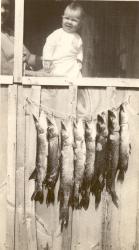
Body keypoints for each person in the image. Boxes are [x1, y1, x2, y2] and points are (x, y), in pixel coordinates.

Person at [42, 2, 84, 79]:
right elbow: (49, 46)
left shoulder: (78, 38)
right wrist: (47, 59)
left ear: (80, 24)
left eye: (74, 20)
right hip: (57, 65)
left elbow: (79, 51)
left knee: (76, 79)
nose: (69, 22)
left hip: (72, 67)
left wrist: (79, 60)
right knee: (56, 80)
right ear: (62, 18)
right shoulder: (57, 34)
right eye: (67, 18)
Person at [1, 0, 41, 75]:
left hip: (26, 75)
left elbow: (29, 58)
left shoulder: (9, 32)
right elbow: (4, 70)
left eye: (6, 6)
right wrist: (38, 74)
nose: (3, 10)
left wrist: (52, 61)